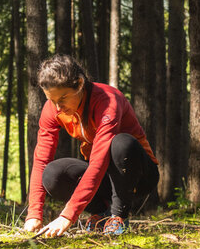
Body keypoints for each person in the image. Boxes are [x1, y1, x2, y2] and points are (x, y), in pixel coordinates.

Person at [24, 54, 159, 238]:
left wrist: (68, 215)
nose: (57, 107)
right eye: (52, 100)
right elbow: (41, 159)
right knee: (52, 174)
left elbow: (99, 161)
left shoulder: (107, 100)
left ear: (79, 84)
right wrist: (34, 214)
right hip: (104, 177)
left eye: (62, 99)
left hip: (139, 175)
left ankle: (118, 216)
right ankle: (103, 213)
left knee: (121, 144)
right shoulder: (53, 109)